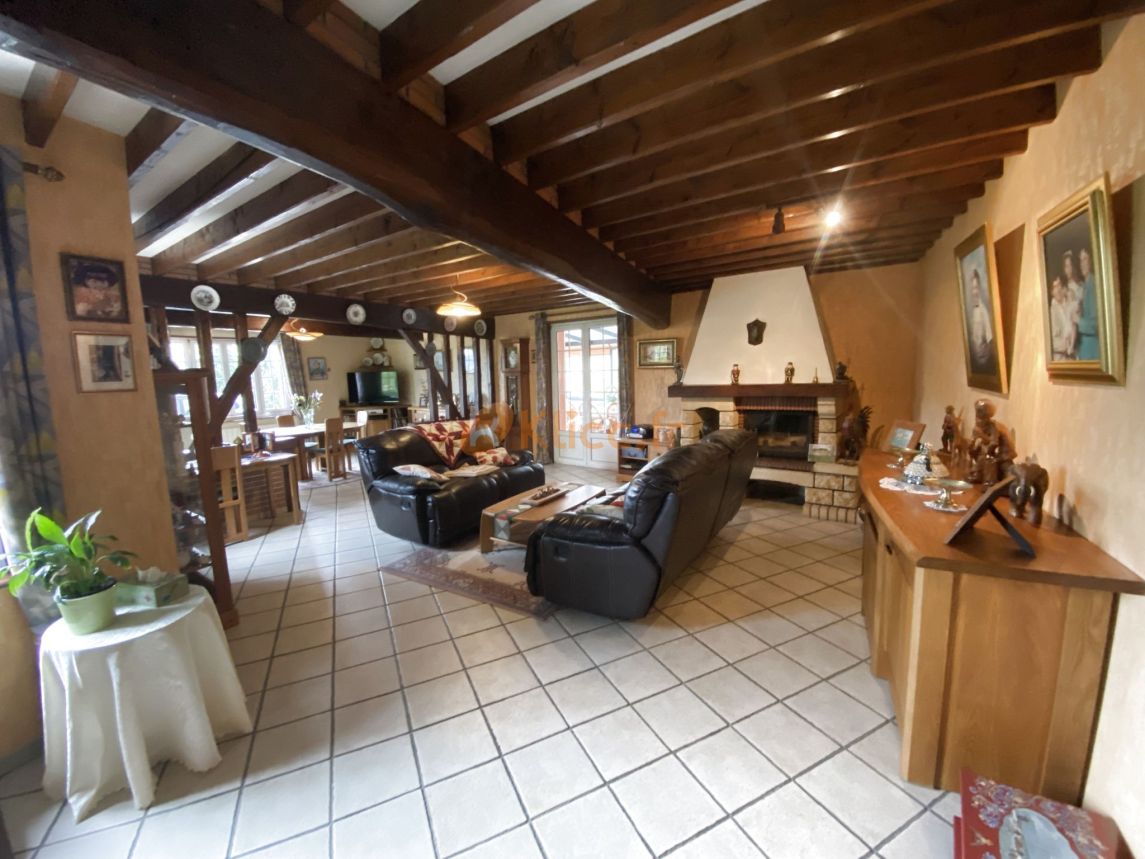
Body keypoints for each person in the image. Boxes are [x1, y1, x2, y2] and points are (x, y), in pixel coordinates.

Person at [967, 269, 995, 373]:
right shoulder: (970, 311)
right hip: (976, 363)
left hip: (984, 363)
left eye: (976, 288)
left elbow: (990, 340)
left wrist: (984, 356)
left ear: (979, 288)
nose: (974, 292)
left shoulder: (984, 311)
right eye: (972, 288)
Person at [1075, 247, 1100, 360]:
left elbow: (1096, 325)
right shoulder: (1085, 285)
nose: (1082, 264)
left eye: (1085, 259)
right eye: (1080, 260)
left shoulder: (1093, 285)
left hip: (1092, 351)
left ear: (1091, 260)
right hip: (1085, 350)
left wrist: (1078, 320)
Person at [1049, 276, 1077, 361]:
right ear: (1051, 292)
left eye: (1059, 285)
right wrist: (1068, 345)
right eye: (1055, 287)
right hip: (1059, 359)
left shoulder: (1070, 304)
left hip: (1073, 358)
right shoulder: (1051, 312)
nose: (1058, 290)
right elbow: (1050, 341)